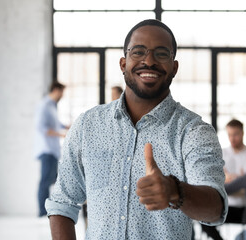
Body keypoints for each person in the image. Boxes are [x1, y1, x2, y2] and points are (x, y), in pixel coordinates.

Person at [45, 19, 228, 240]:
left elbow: (216, 209)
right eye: (138, 51)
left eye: (161, 53)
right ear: (123, 64)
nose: (148, 61)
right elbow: (63, 203)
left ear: (174, 67)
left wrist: (175, 191)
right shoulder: (88, 125)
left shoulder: (194, 131)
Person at [201, 119, 246, 239]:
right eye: (229, 135)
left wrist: (236, 179)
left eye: (235, 134)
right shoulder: (221, 154)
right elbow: (211, 178)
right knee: (204, 219)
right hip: (227, 207)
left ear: (242, 133)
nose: (232, 138)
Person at [34, 81, 68, 217]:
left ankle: (51, 210)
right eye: (61, 92)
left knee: (53, 179)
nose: (62, 95)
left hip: (53, 150)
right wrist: (61, 134)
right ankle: (42, 212)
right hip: (46, 149)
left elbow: (55, 124)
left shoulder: (52, 106)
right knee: (45, 181)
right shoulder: (44, 105)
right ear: (55, 90)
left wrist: (66, 126)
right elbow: (41, 128)